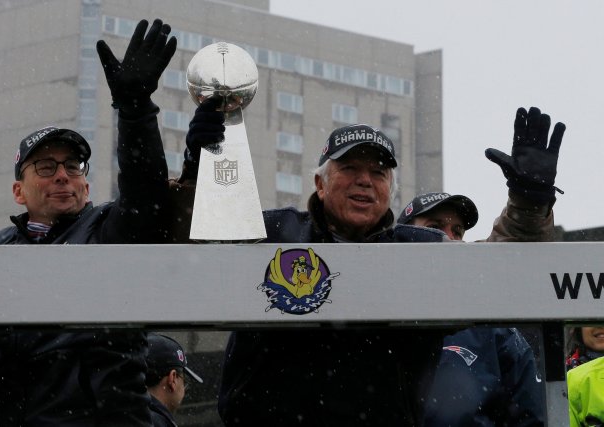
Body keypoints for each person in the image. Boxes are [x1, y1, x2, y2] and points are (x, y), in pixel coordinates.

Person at [173, 110, 451, 425]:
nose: (364, 180)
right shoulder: (273, 232)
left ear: (391, 190)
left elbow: (490, 280)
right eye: (349, 168)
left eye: (378, 172)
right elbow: (191, 252)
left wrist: (521, 212)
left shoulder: (423, 251)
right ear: (320, 183)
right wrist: (197, 172)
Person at [0, 18, 176, 426]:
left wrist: (135, 109)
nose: (62, 175)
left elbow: (148, 195)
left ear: (86, 186)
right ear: (19, 192)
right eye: (46, 166)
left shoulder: (108, 228)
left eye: (72, 166)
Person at [397, 192, 544, 425]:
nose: (449, 239)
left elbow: (529, 417)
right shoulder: (379, 319)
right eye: (434, 226)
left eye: (457, 231)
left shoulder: (494, 329)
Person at [146, 333, 204, 427]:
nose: (184, 389)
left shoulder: (127, 415)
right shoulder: (158, 422)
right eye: (185, 382)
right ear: (173, 379)